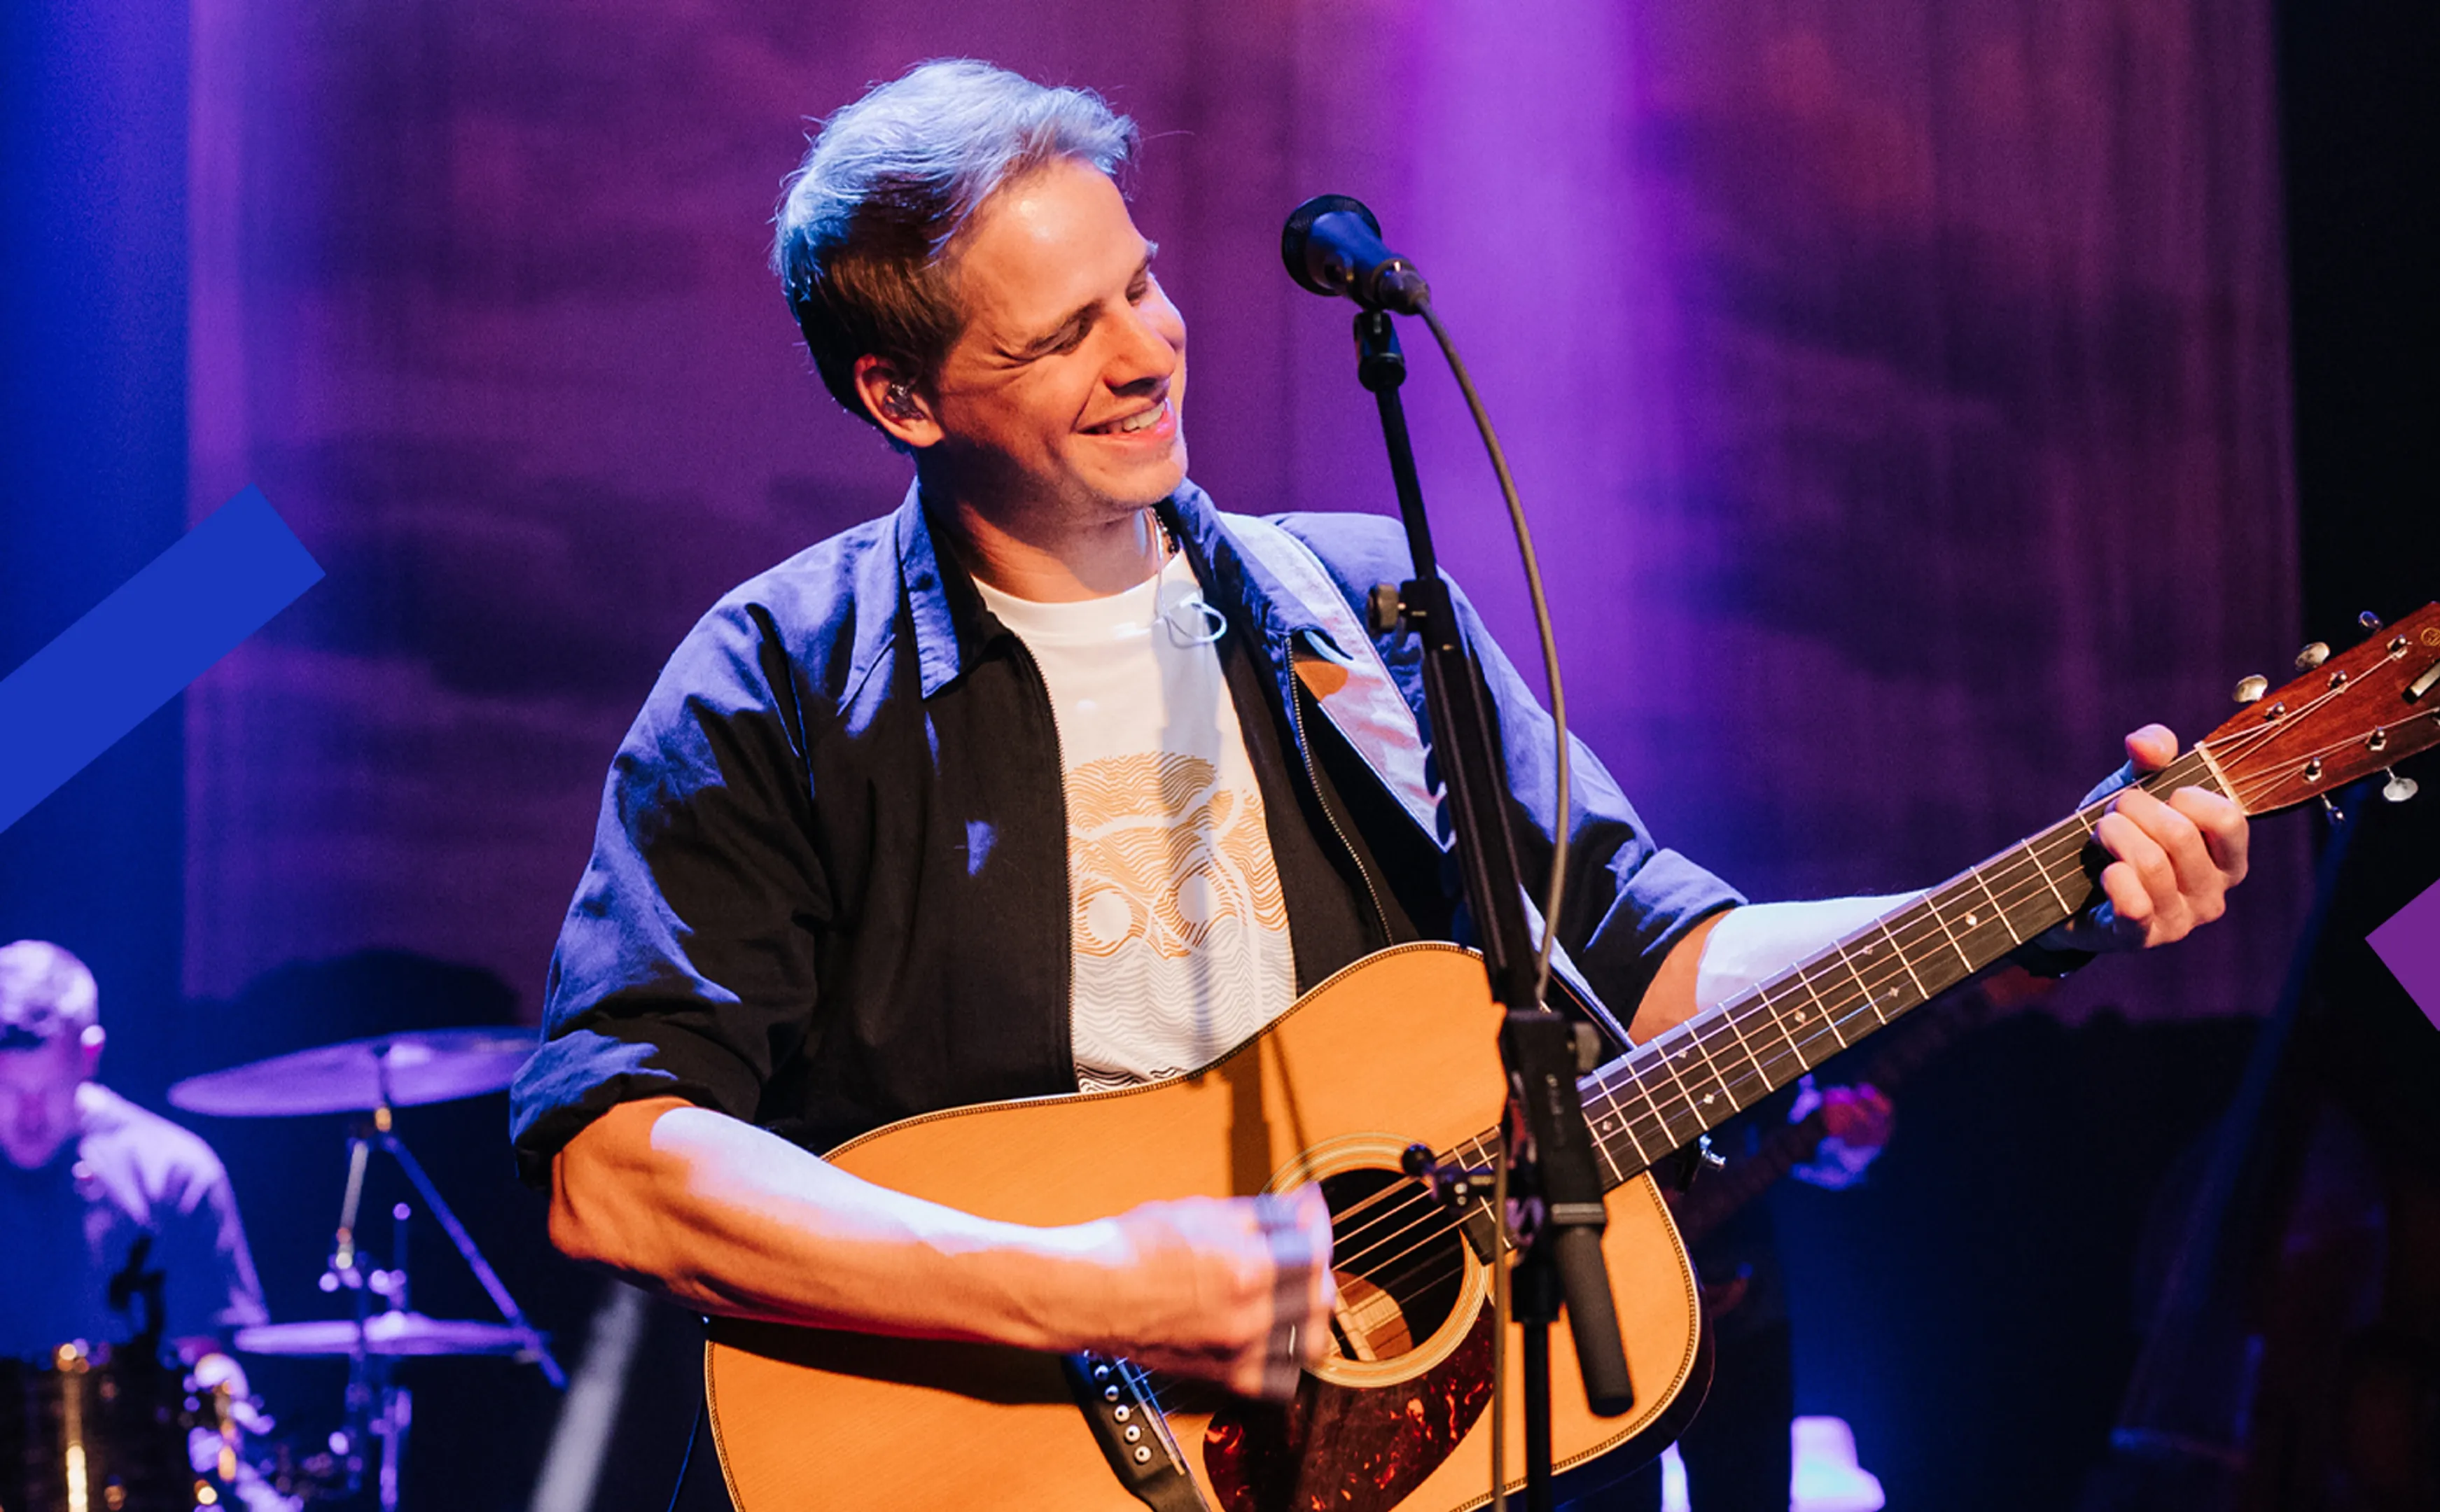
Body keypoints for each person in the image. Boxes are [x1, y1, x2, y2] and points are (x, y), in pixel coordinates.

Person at [507, 55, 2247, 1483]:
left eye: (1142, 283)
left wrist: (2043, 894)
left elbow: (1656, 960)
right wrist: (1090, 1282)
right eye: (1062, 336)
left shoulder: (1357, 611)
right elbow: (617, 1160)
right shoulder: (774, 682)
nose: (1147, 352)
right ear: (902, 398)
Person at [0, 939, 268, 1358]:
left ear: (90, 1055)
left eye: (50, 1089)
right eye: (8, 1089)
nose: (29, 1116)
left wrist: (218, 1381)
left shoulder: (176, 1174)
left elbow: (209, 1360)